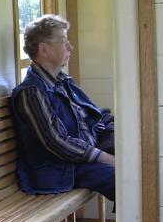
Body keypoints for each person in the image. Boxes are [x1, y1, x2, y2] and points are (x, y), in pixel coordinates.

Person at [11, 14, 115, 202]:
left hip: (80, 159)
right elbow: (57, 142)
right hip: (59, 170)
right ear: (44, 49)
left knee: (139, 162)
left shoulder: (63, 81)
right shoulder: (32, 93)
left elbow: (91, 116)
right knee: (124, 179)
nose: (70, 48)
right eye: (64, 42)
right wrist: (105, 158)